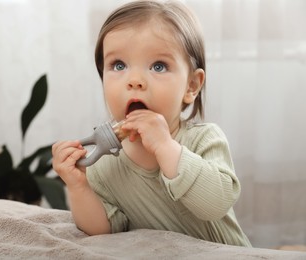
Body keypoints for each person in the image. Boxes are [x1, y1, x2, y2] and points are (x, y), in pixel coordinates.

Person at [52, 0, 252, 247]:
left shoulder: (205, 139)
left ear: (191, 86)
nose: (135, 80)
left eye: (159, 66)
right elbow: (103, 229)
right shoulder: (103, 165)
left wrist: (165, 147)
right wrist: (78, 186)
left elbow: (216, 204)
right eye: (118, 65)